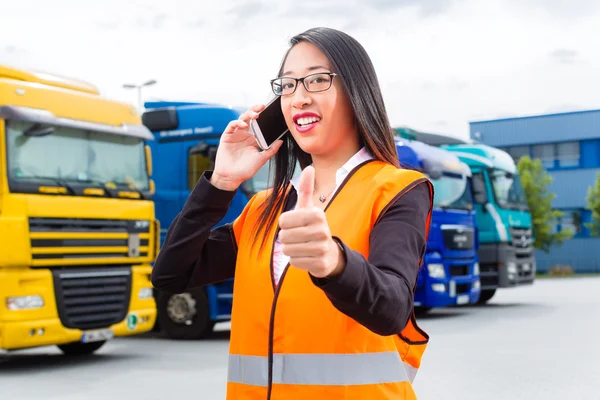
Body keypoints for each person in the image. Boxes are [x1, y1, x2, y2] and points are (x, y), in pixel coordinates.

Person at [152, 27, 434, 400]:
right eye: (287, 85)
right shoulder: (263, 208)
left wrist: (334, 262)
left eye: (317, 80)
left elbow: (393, 309)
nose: (298, 98)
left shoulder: (397, 189)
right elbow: (170, 274)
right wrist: (221, 181)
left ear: (357, 92)